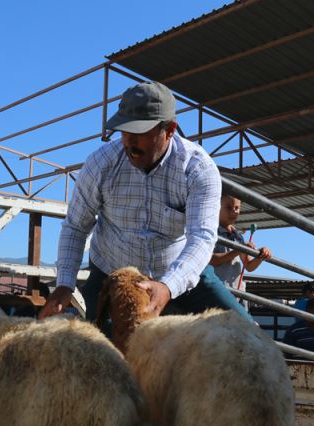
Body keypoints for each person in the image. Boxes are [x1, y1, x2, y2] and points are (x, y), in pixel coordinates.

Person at [39, 80, 251, 323]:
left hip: (175, 270)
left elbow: (202, 238)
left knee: (245, 332)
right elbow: (76, 226)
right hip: (112, 272)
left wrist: (168, 286)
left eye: (140, 133)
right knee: (99, 349)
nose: (129, 142)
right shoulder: (101, 164)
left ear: (169, 130)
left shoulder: (197, 169)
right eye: (124, 131)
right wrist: (65, 284)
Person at [210, 194, 272, 298]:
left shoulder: (238, 236)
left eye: (237, 208)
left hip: (238, 293)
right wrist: (239, 250)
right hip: (218, 293)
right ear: (217, 206)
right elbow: (212, 260)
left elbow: (248, 266)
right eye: (228, 207)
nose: (233, 211)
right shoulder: (212, 231)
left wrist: (260, 256)